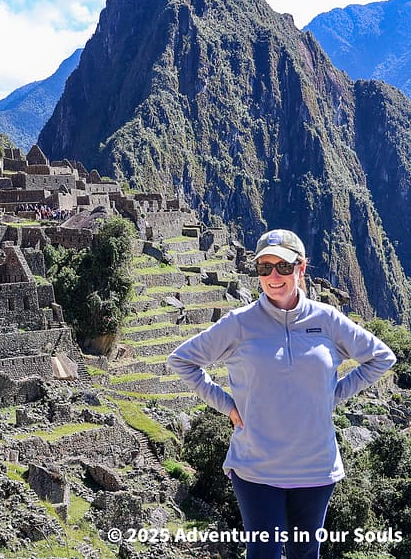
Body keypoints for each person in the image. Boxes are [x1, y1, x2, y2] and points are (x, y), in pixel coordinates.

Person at [168, 229, 396, 559]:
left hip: (315, 469)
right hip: (257, 468)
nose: (274, 276)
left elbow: (381, 357)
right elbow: (182, 360)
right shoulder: (240, 323)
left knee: (306, 555)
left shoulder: (327, 320)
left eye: (284, 267)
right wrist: (227, 406)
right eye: (264, 268)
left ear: (301, 269)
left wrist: (334, 395)